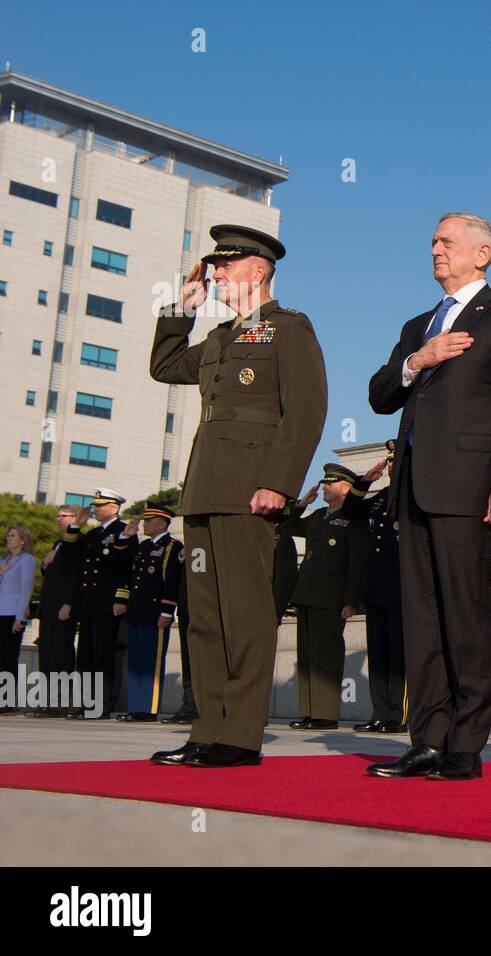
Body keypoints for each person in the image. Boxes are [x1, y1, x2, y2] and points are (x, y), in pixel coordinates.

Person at [365, 212, 491, 782]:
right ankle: (427, 739)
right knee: (422, 620)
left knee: (466, 618)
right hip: (413, 490)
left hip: (470, 489)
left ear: (481, 253)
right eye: (432, 242)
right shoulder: (419, 325)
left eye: (446, 241)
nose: (435, 250)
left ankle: (466, 743)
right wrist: (420, 360)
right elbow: (378, 395)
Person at [148, 224, 328, 768]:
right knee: (202, 616)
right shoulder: (222, 337)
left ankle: (240, 737)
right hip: (204, 489)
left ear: (258, 269)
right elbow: (164, 367)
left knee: (246, 614)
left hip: (251, 492)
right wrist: (183, 309)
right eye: (215, 267)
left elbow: (306, 411)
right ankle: (207, 729)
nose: (217, 274)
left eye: (225, 266)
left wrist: (279, 482)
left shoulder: (288, 329)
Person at [279, 464, 369, 731]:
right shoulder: (318, 515)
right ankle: (309, 711)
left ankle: (326, 714)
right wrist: (300, 504)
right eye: (325, 481)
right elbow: (286, 527)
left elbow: (357, 562)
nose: (325, 486)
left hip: (332, 597)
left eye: (331, 482)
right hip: (307, 593)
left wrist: (351, 600)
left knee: (326, 657)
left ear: (345, 487)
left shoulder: (354, 519)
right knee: (307, 657)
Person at [342, 441, 407, 734]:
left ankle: (399, 716)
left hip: (402, 589)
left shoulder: (417, 497)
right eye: (390, 461)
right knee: (379, 657)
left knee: (399, 657)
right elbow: (351, 511)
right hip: (377, 587)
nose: (392, 465)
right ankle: (379, 713)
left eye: (397, 461)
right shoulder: (381, 497)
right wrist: (363, 482)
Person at [113, 506, 184, 721]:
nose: (145, 524)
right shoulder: (143, 546)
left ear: (162, 523)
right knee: (135, 663)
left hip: (155, 612)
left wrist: (167, 611)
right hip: (137, 611)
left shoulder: (171, 546)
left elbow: (171, 581)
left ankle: (148, 709)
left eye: (149, 520)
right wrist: (126, 536)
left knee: (151, 662)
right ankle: (136, 708)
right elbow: (123, 564)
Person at [68, 489, 133, 719]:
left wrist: (121, 598)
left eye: (100, 505)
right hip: (87, 603)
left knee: (102, 656)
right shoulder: (94, 533)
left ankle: (102, 705)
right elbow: (70, 554)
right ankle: (84, 703)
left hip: (107, 602)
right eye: (95, 505)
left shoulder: (124, 532)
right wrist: (76, 527)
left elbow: (124, 566)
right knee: (84, 656)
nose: (95, 508)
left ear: (113, 508)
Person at [31, 507, 83, 718]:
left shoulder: (78, 541)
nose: (58, 519)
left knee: (62, 656)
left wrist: (68, 603)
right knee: (47, 656)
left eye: (63, 516)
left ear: (75, 519)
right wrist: (45, 562)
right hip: (48, 607)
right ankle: (48, 702)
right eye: (58, 515)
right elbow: (50, 573)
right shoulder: (57, 543)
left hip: (62, 607)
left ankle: (63, 701)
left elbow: (75, 575)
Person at [0, 525, 37, 715]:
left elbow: (26, 590)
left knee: (7, 659)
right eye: (8, 535)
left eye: (13, 535)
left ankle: (6, 702)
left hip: (12, 615)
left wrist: (20, 617)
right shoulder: (4, 560)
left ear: (22, 540)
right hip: (0, 612)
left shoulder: (27, 560)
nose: (8, 538)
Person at [160, 547, 198, 724]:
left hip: (205, 610)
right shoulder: (187, 548)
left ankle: (199, 707)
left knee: (202, 663)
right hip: (186, 607)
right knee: (188, 662)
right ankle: (189, 705)